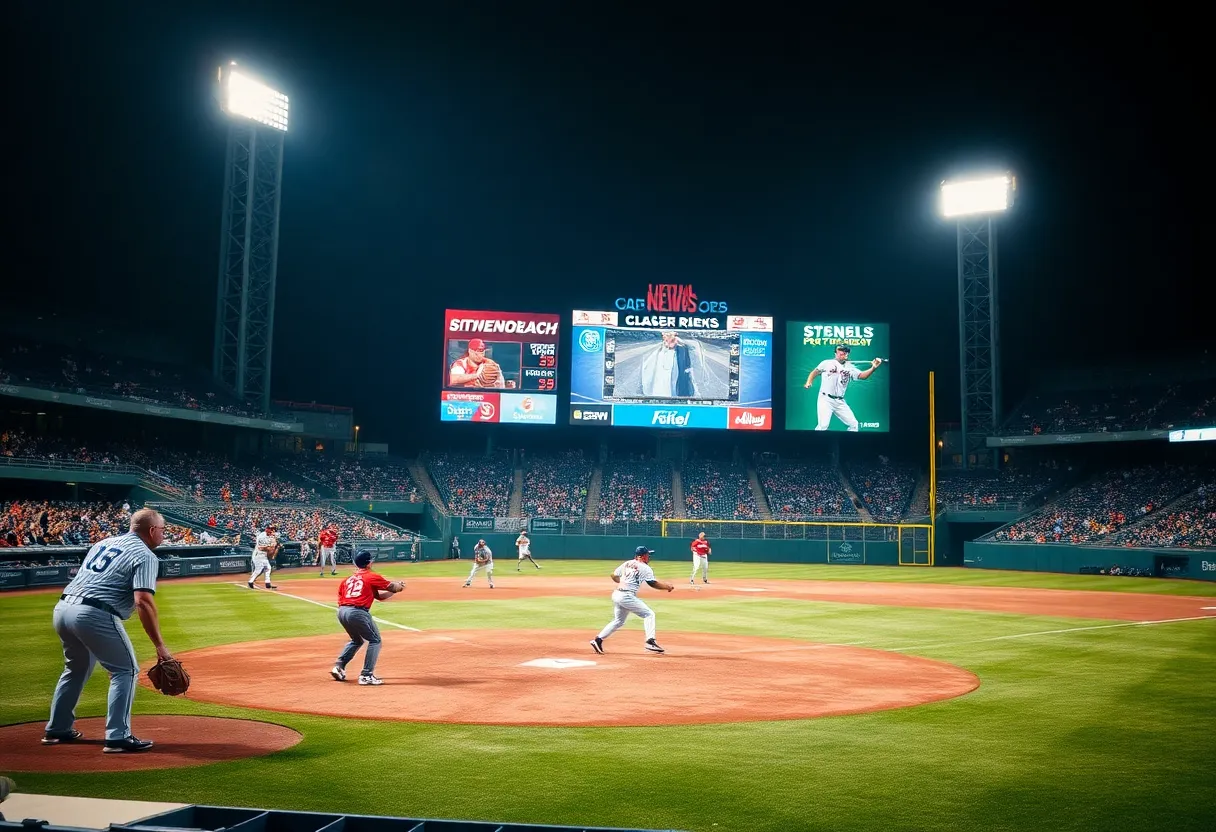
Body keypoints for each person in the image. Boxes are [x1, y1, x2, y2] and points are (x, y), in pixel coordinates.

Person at [43, 508, 174, 753]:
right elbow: (143, 600)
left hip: (63, 609)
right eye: (163, 530)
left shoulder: (104, 542)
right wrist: (160, 646)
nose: (164, 535)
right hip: (94, 613)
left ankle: (57, 728)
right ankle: (117, 736)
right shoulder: (145, 555)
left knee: (75, 669)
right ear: (152, 530)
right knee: (126, 669)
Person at [331, 550, 404, 686]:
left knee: (356, 640)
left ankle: (339, 666)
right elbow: (393, 587)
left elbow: (380, 597)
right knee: (375, 640)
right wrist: (400, 586)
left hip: (342, 611)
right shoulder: (371, 576)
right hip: (357, 612)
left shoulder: (347, 579)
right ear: (369, 563)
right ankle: (366, 675)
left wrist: (393, 592)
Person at [590, 545, 674, 655]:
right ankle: (650, 641)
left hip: (617, 594)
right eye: (648, 555)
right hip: (626, 596)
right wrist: (667, 587)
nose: (649, 557)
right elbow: (653, 583)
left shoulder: (627, 563)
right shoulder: (645, 567)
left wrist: (621, 581)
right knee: (649, 614)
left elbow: (613, 575)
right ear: (643, 556)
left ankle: (598, 640)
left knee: (619, 621)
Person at [803, 344, 882, 431]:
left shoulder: (850, 367)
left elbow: (862, 376)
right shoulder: (826, 363)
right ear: (835, 353)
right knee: (823, 426)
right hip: (825, 399)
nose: (843, 353)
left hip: (839, 401)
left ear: (847, 354)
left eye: (845, 352)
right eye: (840, 351)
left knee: (854, 425)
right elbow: (814, 372)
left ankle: (847, 443)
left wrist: (873, 368)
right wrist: (808, 382)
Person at [640, 331, 700, 397]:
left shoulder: (681, 348)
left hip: (675, 373)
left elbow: (693, 347)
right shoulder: (658, 350)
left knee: (673, 383)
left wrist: (677, 340)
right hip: (660, 376)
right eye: (665, 335)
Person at [248, 523, 280, 589]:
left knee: (268, 568)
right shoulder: (261, 536)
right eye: (271, 529)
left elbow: (271, 549)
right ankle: (250, 582)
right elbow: (261, 548)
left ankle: (267, 583)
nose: (272, 531)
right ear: (267, 529)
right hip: (258, 554)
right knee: (259, 569)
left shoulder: (271, 537)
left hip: (264, 555)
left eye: (273, 530)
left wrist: (274, 546)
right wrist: (270, 547)